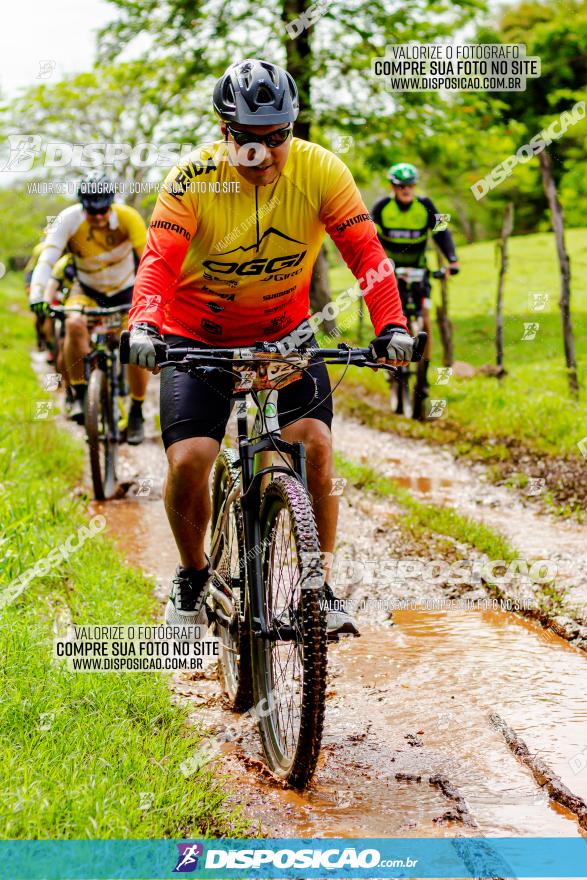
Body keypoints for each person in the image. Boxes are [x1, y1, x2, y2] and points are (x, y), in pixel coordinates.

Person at [128, 58, 412, 637]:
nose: (264, 152)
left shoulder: (322, 171)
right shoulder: (190, 179)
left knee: (315, 447)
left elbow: (365, 253)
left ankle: (318, 589)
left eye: (277, 136)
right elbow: (158, 262)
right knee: (190, 461)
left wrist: (392, 326)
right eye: (247, 139)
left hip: (283, 338)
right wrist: (144, 325)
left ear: (292, 129)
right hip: (196, 340)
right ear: (223, 131)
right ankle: (192, 576)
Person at [28, 173, 149, 441]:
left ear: (111, 204)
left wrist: (153, 299)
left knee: (135, 339)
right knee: (72, 323)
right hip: (87, 290)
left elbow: (149, 261)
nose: (98, 217)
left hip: (126, 290)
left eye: (103, 209)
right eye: (90, 210)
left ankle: (137, 409)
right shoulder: (68, 219)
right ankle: (82, 395)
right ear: (82, 205)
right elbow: (47, 260)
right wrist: (37, 293)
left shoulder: (128, 218)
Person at [371, 163, 459, 419]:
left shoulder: (426, 206)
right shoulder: (381, 208)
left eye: (410, 185)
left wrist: (452, 261)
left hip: (420, 273)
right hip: (391, 274)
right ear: (393, 187)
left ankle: (423, 375)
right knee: (392, 319)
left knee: (425, 318)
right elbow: (369, 238)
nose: (406, 190)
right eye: (400, 186)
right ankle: (390, 363)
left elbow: (443, 232)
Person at [25, 238, 50, 353]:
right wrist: (29, 286)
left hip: (53, 283)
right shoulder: (40, 249)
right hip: (40, 284)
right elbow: (32, 269)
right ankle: (41, 338)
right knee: (40, 313)